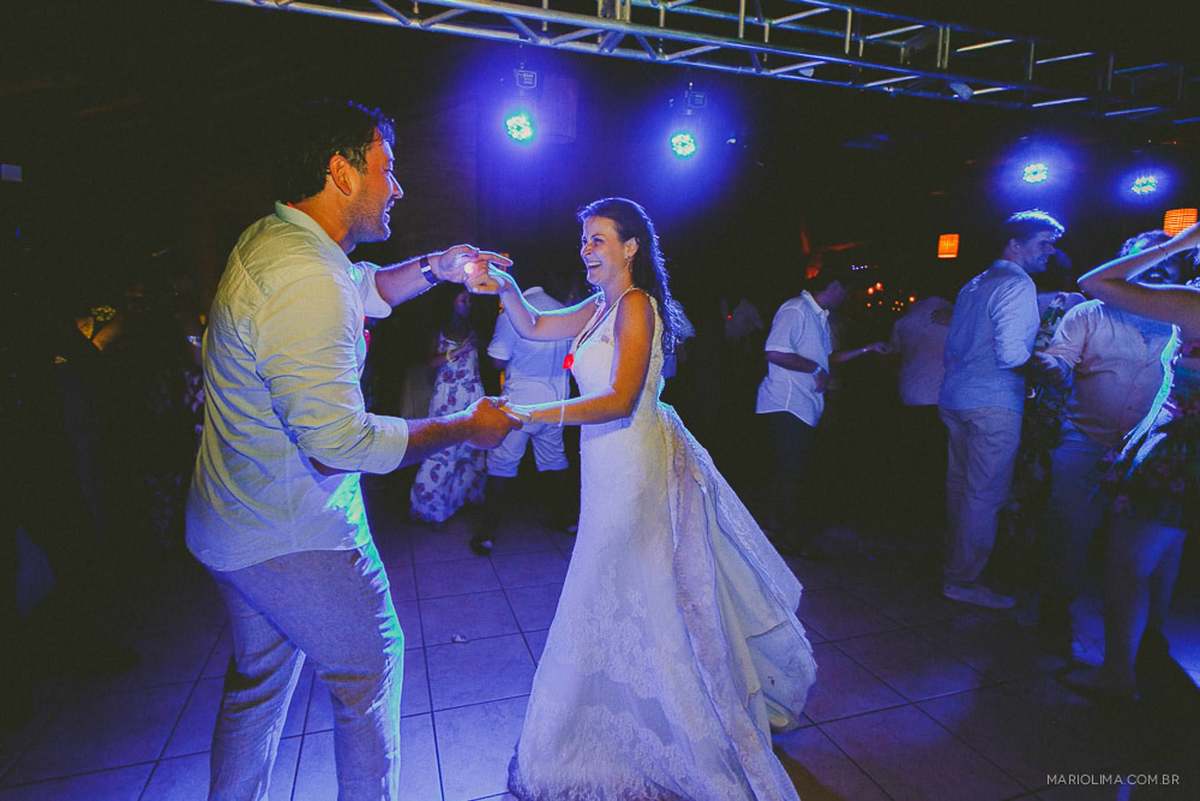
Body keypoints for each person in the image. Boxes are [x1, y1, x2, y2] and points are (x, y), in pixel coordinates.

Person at [186, 100, 517, 800]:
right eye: (386, 169)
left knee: (258, 683)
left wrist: (440, 266)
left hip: (232, 521)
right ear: (342, 172)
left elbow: (363, 287)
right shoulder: (307, 277)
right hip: (288, 533)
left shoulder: (280, 239)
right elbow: (339, 444)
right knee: (371, 668)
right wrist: (464, 424)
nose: (397, 186)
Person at [469, 198, 816, 800]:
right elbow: (533, 325)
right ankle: (626, 711)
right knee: (617, 583)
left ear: (630, 247)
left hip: (633, 461)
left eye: (598, 239)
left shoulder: (636, 305)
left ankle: (679, 722)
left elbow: (620, 400)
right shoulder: (599, 305)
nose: (586, 250)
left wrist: (528, 412)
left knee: (633, 582)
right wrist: (505, 286)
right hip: (604, 461)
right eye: (584, 240)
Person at [1063, 221, 1200, 701]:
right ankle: (1147, 653)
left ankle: (1118, 676)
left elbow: (1096, 281)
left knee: (1126, 565)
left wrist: (1177, 243)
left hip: (1176, 450)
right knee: (1162, 557)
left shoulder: (1194, 303)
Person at [1032, 231, 1182, 662]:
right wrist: (1050, 365)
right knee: (1069, 532)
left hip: (1155, 453)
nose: (1155, 270)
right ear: (1122, 265)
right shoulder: (1089, 313)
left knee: (1154, 550)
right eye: (1144, 261)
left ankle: (1151, 637)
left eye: (1165, 265)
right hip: (1086, 440)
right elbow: (1061, 362)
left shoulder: (1182, 318)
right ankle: (1055, 616)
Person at [939, 209, 1063, 609]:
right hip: (993, 402)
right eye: (1044, 243)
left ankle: (954, 567)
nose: (1050, 251)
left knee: (960, 488)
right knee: (984, 495)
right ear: (1015, 244)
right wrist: (1047, 365)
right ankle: (963, 580)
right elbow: (1012, 355)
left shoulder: (974, 283)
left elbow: (955, 345)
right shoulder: (1017, 283)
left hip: (955, 396)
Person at [755, 267, 890, 555]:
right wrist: (814, 369)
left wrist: (867, 349)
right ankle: (780, 538)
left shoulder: (820, 316)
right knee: (790, 473)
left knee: (793, 473)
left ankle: (776, 534)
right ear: (835, 286)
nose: (847, 297)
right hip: (786, 403)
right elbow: (774, 352)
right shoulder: (796, 309)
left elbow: (829, 359)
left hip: (805, 405)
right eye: (846, 290)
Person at [470, 276, 573, 555]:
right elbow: (572, 359)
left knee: (502, 464)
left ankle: (487, 533)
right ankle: (565, 519)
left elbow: (497, 359)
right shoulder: (563, 310)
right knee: (554, 459)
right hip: (556, 403)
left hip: (520, 405)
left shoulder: (515, 312)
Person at [410, 287, 487, 523]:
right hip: (446, 396)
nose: (468, 305)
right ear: (452, 302)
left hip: (471, 392)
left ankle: (457, 502)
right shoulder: (440, 330)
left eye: (469, 301)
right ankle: (429, 509)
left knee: (469, 451)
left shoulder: (471, 328)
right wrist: (458, 351)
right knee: (441, 451)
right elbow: (429, 362)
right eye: (464, 300)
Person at [889, 285, 953, 540]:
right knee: (937, 461)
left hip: (909, 395)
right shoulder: (953, 318)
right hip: (940, 397)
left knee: (912, 457)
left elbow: (895, 353)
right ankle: (932, 516)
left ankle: (907, 512)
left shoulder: (905, 320)